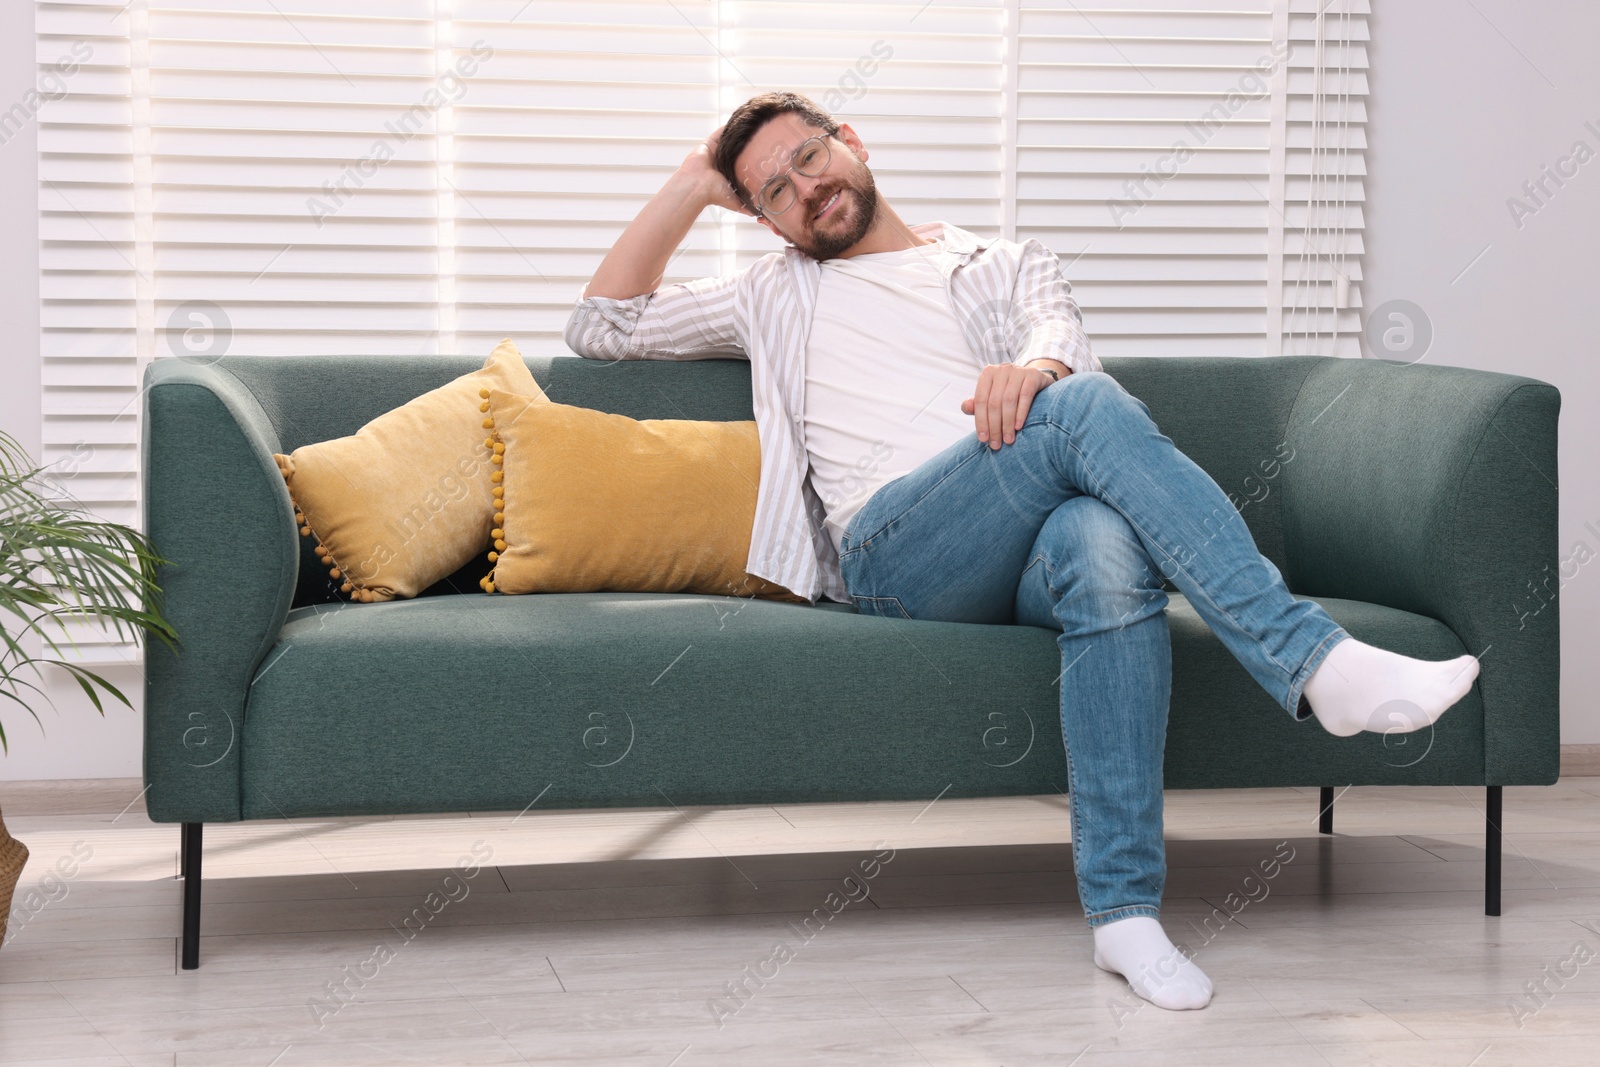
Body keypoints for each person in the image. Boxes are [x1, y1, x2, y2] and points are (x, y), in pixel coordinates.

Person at [563, 91, 1480, 1011]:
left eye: (808, 157)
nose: (804, 189)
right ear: (762, 219)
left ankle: (1124, 915)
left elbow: (1059, 340)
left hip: (1028, 533)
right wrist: (694, 181)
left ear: (851, 141)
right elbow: (600, 328)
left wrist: (1035, 373)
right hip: (896, 551)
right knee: (1079, 408)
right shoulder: (771, 291)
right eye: (771, 191)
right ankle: (1315, 660)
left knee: (1103, 539)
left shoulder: (1001, 261)